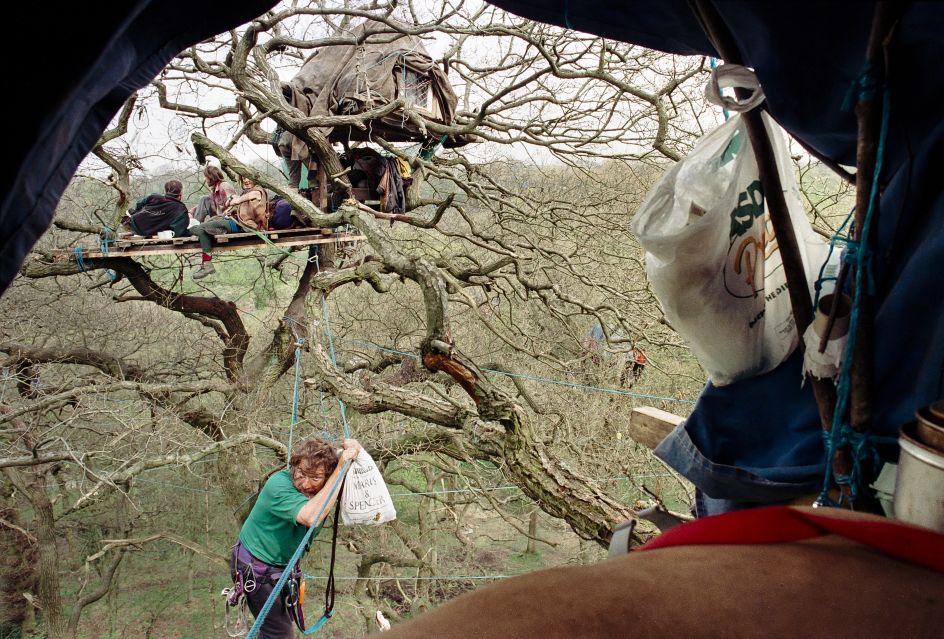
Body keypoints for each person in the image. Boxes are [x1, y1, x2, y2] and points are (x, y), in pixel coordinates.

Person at [231, 438, 361, 638]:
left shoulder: (326, 487)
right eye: (300, 474)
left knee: (279, 628)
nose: (305, 484)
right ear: (293, 466)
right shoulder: (279, 485)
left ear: (327, 478)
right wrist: (340, 466)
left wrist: (350, 454)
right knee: (279, 634)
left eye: (315, 478)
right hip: (256, 569)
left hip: (280, 568)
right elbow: (311, 516)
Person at [189, 175, 268, 280]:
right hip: (236, 222)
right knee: (207, 225)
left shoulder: (258, 191)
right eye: (244, 178)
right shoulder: (246, 192)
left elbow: (237, 201)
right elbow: (239, 207)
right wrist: (231, 209)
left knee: (197, 229)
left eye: (249, 178)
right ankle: (207, 261)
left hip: (244, 226)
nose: (246, 180)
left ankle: (207, 263)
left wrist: (232, 201)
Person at [121, 179, 189, 238]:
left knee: (131, 212)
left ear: (166, 191)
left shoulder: (154, 197)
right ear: (180, 194)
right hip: (151, 232)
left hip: (131, 224)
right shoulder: (181, 209)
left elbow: (138, 204)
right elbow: (179, 232)